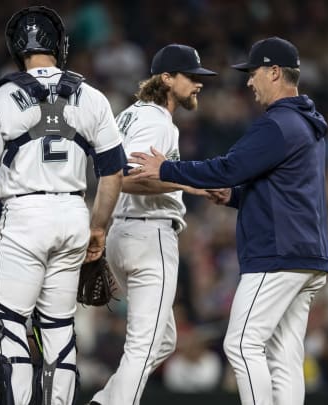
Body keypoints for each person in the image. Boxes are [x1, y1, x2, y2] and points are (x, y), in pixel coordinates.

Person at [128, 36, 328, 405]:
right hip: (307, 256)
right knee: (284, 354)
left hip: (278, 254)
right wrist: (234, 197)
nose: (249, 82)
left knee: (241, 343)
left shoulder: (279, 123)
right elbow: (284, 189)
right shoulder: (306, 123)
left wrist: (167, 167)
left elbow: (228, 167)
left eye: (253, 73)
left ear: (274, 72)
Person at [0, 6, 125, 405]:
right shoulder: (93, 96)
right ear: (59, 45)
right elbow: (113, 173)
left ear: (17, 48)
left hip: (25, 217)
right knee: (59, 327)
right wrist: (98, 228)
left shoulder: (0, 97)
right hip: (73, 215)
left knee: (5, 324)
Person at [87, 44, 215, 405]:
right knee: (143, 347)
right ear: (167, 78)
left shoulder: (129, 114)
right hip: (149, 233)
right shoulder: (156, 120)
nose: (198, 84)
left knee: (163, 341)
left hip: (124, 233)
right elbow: (122, 176)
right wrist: (187, 182)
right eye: (191, 77)